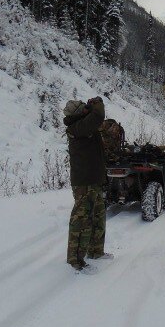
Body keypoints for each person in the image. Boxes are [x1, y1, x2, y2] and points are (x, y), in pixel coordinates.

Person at [64, 96, 113, 272]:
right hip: (84, 182)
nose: (86, 109)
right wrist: (97, 103)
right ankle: (75, 260)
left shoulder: (83, 125)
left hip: (94, 179)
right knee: (82, 220)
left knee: (98, 215)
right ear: (78, 114)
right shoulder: (77, 128)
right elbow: (98, 115)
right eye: (83, 108)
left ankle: (95, 251)